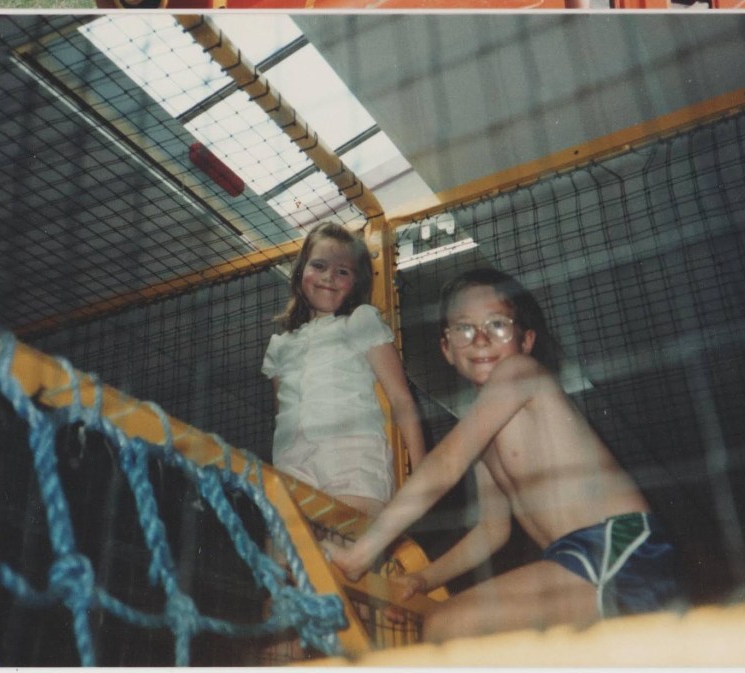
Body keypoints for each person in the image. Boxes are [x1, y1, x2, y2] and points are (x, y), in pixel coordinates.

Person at [326, 268, 681, 642]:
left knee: (449, 625)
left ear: (526, 341)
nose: (480, 339)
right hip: (573, 557)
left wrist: (362, 551)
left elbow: (445, 464)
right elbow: (492, 530)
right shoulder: (484, 424)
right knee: (453, 626)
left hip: (619, 547)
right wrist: (423, 578)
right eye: (464, 328)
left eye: (497, 325)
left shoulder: (519, 372)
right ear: (446, 347)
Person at [262, 222, 426, 518]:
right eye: (319, 265)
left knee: (346, 551)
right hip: (292, 464)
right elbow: (281, 413)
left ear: (355, 283)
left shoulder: (359, 322)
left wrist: (423, 475)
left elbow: (401, 399)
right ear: (300, 273)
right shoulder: (280, 346)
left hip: (351, 459)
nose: (329, 276)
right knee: (286, 557)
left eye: (343, 271)